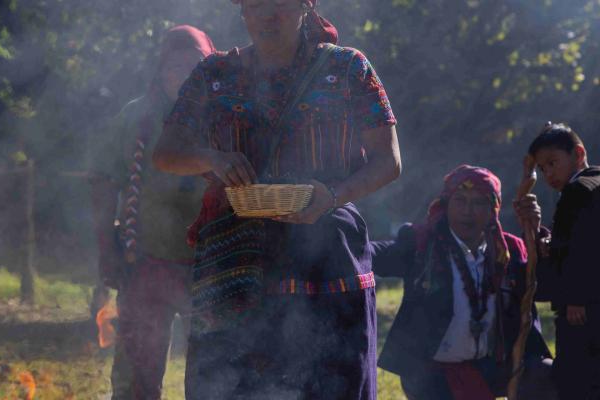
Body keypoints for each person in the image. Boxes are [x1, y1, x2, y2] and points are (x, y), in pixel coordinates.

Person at [153, 1, 401, 398]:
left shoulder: (349, 68)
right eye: (256, 4)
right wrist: (211, 158)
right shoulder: (214, 74)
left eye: (281, 3)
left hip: (327, 257)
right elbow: (165, 153)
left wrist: (334, 195)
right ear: (242, 11)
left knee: (330, 384)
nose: (268, 15)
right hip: (233, 260)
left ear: (306, 6)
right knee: (230, 385)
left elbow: (389, 161)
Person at [87, 25, 216, 400]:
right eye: (174, 67)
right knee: (135, 381)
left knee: (213, 379)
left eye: (196, 66)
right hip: (146, 264)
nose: (185, 76)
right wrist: (107, 248)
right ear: (160, 72)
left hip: (210, 269)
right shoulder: (135, 117)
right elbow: (101, 181)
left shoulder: (227, 116)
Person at [371, 165, 556, 400]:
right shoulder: (424, 245)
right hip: (431, 375)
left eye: (479, 203)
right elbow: (378, 254)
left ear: (493, 210)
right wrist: (347, 246)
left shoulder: (509, 251)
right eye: (460, 200)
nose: (468, 211)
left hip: (492, 367)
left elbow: (548, 285)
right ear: (446, 205)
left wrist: (537, 234)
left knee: (546, 373)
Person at [523, 122, 600, 399]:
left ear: (578, 154)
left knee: (575, 380)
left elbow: (583, 247)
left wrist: (575, 297)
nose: (548, 174)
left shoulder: (576, 191)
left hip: (583, 310)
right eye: (542, 168)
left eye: (553, 163)